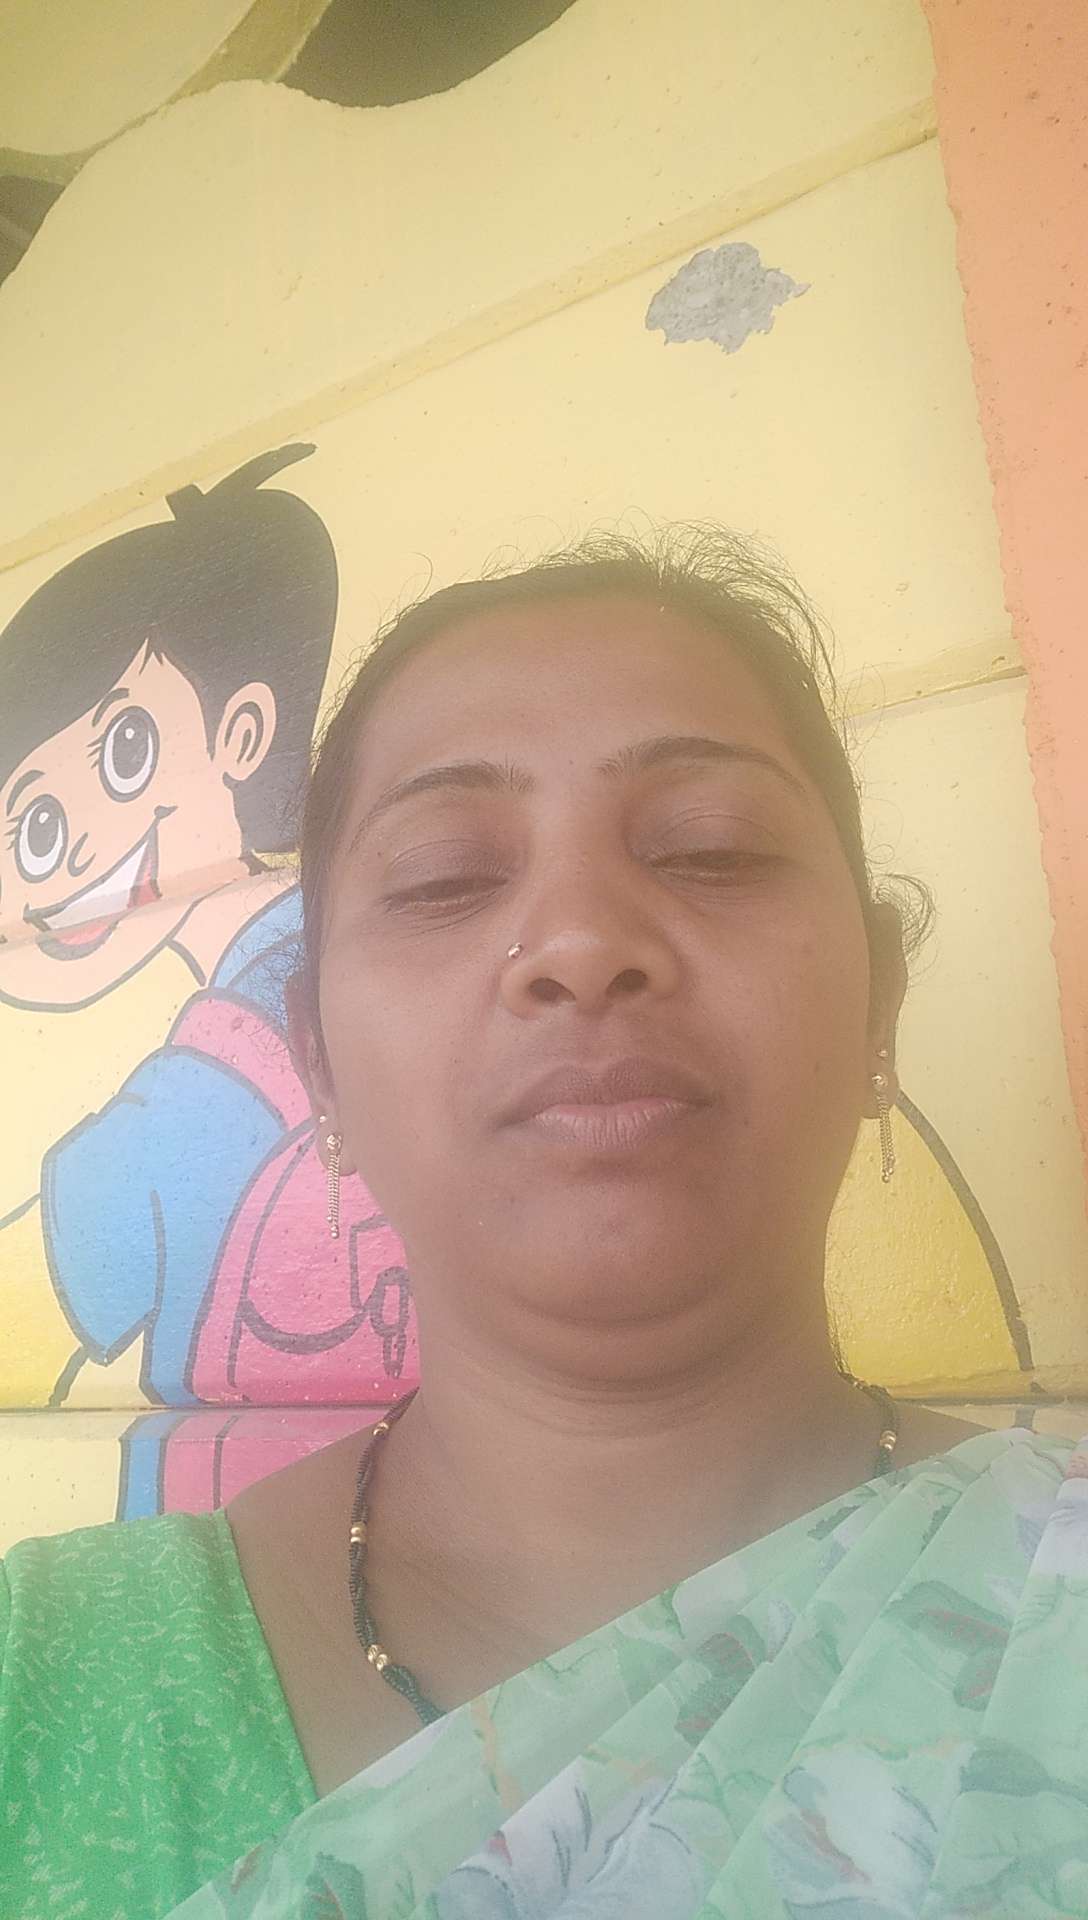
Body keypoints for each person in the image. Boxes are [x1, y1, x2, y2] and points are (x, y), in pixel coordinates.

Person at [2, 528, 1085, 1920]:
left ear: (878, 1004)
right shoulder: (43, 1681)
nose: (580, 941)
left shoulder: (1056, 1588)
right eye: (445, 878)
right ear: (320, 1064)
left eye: (709, 849)